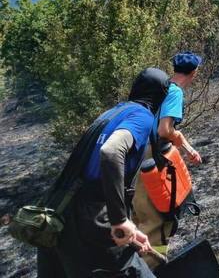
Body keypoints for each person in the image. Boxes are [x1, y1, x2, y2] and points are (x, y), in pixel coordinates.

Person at [37, 67, 171, 277]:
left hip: (60, 215)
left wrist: (132, 230)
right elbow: (111, 151)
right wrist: (119, 220)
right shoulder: (142, 116)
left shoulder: (111, 113)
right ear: (160, 97)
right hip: (92, 219)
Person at [132, 51, 203, 269]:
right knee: (157, 220)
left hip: (135, 156)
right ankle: (152, 269)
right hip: (152, 159)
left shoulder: (159, 88)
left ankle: (133, 266)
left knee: (138, 217)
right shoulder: (175, 93)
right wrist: (184, 145)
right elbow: (165, 130)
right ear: (193, 72)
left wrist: (188, 149)